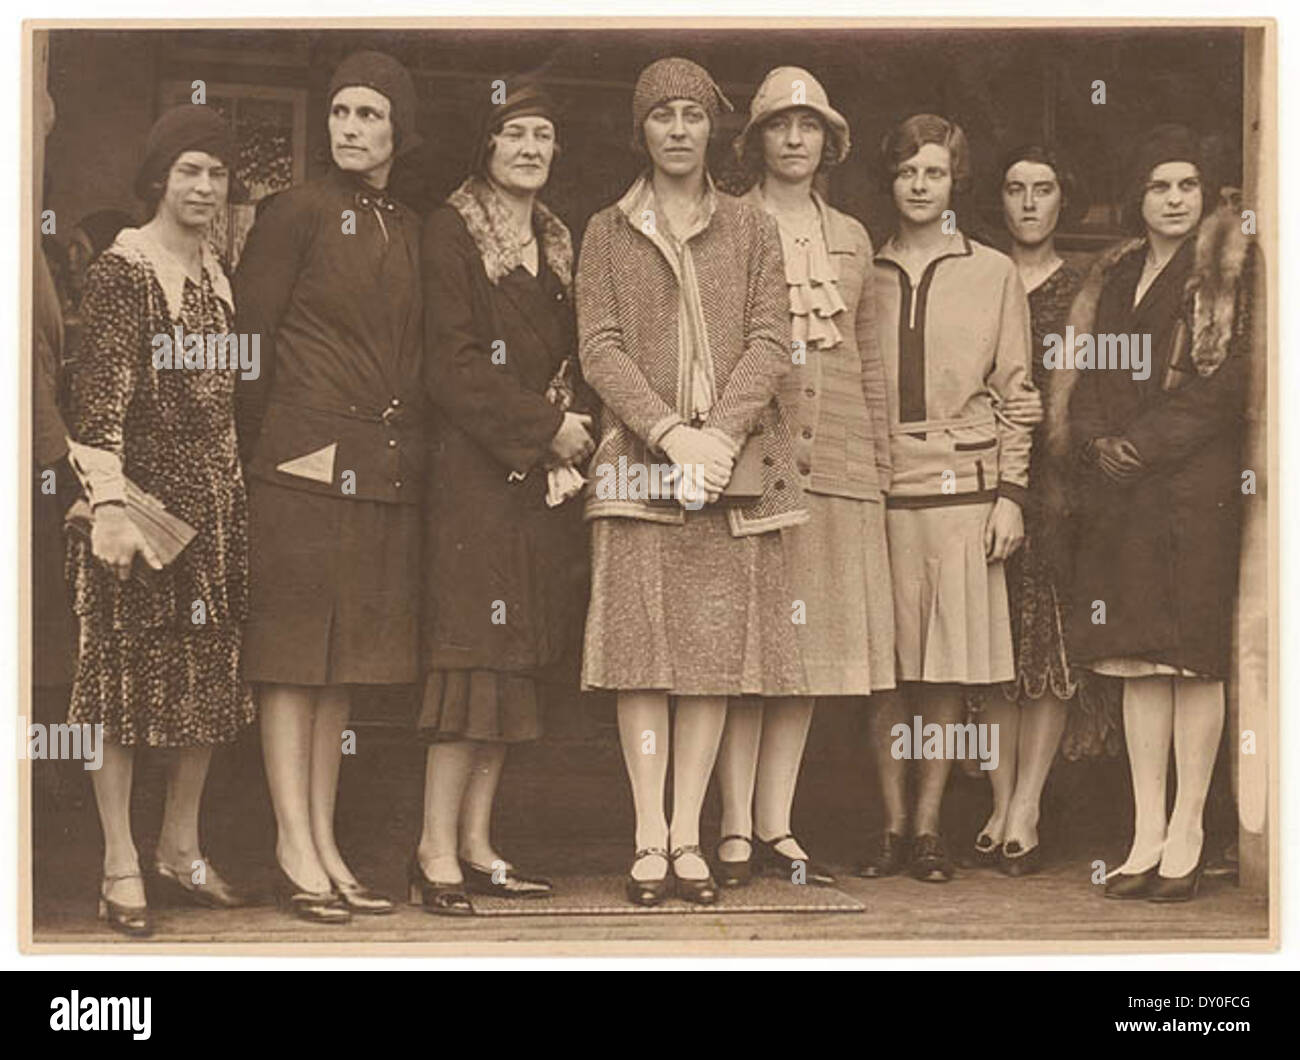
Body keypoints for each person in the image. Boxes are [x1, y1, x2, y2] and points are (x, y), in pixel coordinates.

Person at [577, 57, 807, 907]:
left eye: (692, 114)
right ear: (640, 130)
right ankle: (647, 835)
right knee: (641, 653)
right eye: (661, 115)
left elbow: (770, 339)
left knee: (710, 655)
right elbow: (599, 345)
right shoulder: (606, 229)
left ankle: (689, 835)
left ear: (714, 128)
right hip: (641, 463)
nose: (678, 129)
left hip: (729, 470)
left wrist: (716, 439)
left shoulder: (751, 228)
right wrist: (669, 432)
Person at [235, 51, 425, 923]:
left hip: (373, 466)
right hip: (298, 464)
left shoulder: (406, 223)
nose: (350, 128)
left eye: (370, 115)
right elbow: (251, 346)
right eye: (341, 112)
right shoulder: (293, 212)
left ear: (398, 129)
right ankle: (290, 843)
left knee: (340, 662)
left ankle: (324, 839)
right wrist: (260, 456)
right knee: (291, 660)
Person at [1049, 125, 1259, 902]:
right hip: (1122, 489)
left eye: (1187, 186)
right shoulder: (1118, 270)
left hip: (1191, 489)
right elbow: (1092, 367)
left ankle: (1190, 832)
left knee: (1188, 659)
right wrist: (1101, 439)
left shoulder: (1233, 267)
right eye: (1159, 187)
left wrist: (1142, 443)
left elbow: (1233, 379)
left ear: (1205, 196)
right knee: (1136, 661)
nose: (1174, 200)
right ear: (1137, 198)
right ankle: (1144, 831)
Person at [66, 104, 254, 937]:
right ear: (159, 179)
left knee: (205, 683)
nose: (204, 186)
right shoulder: (124, 271)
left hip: (214, 509)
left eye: (215, 172)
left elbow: (224, 406)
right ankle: (119, 861)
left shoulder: (219, 273)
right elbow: (97, 408)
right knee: (119, 685)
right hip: (137, 511)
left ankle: (181, 846)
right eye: (189, 170)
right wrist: (108, 504)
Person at [411, 82, 592, 915]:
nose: (529, 147)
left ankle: (479, 846)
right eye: (513, 133)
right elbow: (449, 365)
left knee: (512, 667)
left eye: (543, 135)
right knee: (470, 668)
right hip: (476, 479)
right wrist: (544, 427)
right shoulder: (451, 232)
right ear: (486, 147)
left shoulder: (558, 243)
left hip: (537, 490)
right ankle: (431, 851)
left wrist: (567, 428)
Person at [714, 67, 893, 888]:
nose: (795, 139)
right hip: (756, 459)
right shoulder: (727, 221)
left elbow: (872, 361)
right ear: (756, 140)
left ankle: (777, 823)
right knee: (750, 650)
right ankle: (731, 827)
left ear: (828, 141)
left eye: (809, 127)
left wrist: (880, 467)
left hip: (841, 462)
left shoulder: (855, 236)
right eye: (780, 126)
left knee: (806, 655)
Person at [861, 114, 1033, 883]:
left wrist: (1012, 494)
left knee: (943, 671)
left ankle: (929, 830)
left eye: (934, 171)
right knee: (884, 670)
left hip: (964, 491)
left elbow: (1015, 391)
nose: (921, 185)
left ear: (955, 178)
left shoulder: (992, 271)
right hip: (877, 488)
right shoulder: (861, 269)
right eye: (907, 173)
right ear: (890, 182)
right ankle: (890, 828)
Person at [973, 144, 1091, 876]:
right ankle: (996, 795)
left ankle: (1029, 802)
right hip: (979, 470)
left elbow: (1104, 381)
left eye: (1042, 190)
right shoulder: (977, 273)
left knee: (1043, 642)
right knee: (989, 641)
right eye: (1014, 189)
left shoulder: (1084, 287)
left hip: (1055, 483)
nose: (1028, 203)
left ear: (1061, 201)